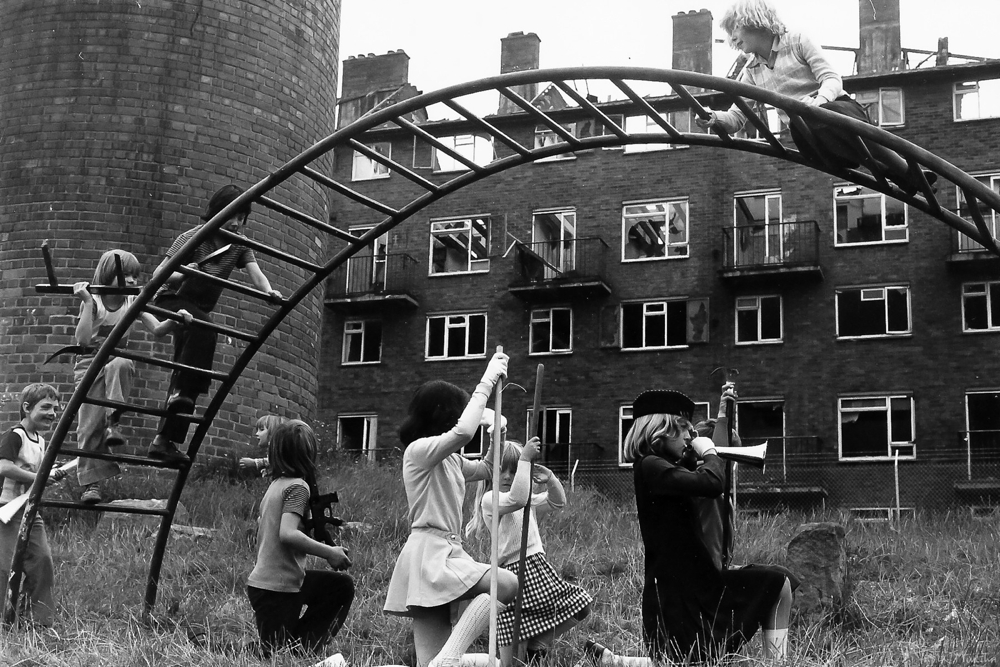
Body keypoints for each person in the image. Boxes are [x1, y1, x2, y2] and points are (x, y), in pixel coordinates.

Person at [588, 384, 794, 665]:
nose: (690, 435)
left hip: (695, 585)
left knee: (778, 582)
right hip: (680, 597)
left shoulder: (662, 465)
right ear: (660, 430)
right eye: (683, 428)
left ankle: (779, 662)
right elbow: (712, 482)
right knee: (690, 661)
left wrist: (718, 424)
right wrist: (710, 453)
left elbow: (703, 477)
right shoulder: (650, 465)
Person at [697, 0, 935, 196]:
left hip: (837, 112)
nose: (733, 38)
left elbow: (831, 78)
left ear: (753, 20)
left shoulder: (797, 40)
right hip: (811, 135)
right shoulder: (752, 71)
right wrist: (714, 117)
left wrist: (819, 102)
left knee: (837, 120)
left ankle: (905, 175)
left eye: (734, 29)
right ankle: (907, 173)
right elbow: (738, 116)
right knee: (806, 124)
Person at [384, 351, 518, 667]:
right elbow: (463, 433)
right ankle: (457, 658)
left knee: (435, 663)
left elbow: (488, 469)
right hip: (428, 552)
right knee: (507, 584)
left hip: (446, 552)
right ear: (443, 414)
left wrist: (498, 433)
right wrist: (486, 382)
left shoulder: (451, 460)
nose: (461, 418)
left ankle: (453, 658)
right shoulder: (417, 453)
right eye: (457, 413)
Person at [147, 184, 282, 463]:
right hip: (171, 299)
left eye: (241, 216)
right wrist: (183, 273)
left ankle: (164, 440)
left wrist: (269, 291)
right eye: (231, 214)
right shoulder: (194, 237)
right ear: (217, 212)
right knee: (205, 331)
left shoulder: (239, 244)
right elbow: (158, 275)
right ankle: (182, 396)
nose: (235, 222)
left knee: (189, 369)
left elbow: (256, 274)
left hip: (197, 312)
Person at [72, 249, 191, 504]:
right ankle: (91, 485)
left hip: (115, 361)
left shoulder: (132, 302)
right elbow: (82, 341)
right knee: (89, 425)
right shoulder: (95, 301)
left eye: (135, 276)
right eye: (125, 275)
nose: (133, 281)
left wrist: (177, 319)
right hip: (89, 364)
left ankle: (113, 422)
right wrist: (88, 302)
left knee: (123, 363)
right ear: (108, 275)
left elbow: (158, 329)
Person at [466, 437, 592, 666]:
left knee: (580, 605)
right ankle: (461, 661)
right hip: (510, 579)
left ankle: (538, 644)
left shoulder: (528, 501)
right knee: (511, 663)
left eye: (514, 471)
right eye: (501, 470)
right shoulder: (490, 499)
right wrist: (524, 458)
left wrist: (551, 480)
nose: (506, 476)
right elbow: (516, 498)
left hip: (536, 570)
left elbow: (558, 502)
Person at [246, 419, 354, 657]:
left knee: (340, 586)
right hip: (276, 589)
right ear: (308, 454)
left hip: (280, 583)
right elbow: (287, 534)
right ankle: (298, 648)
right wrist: (330, 552)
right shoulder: (298, 487)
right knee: (273, 654)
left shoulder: (277, 484)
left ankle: (304, 646)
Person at [0, 384, 69, 627]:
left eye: (56, 409)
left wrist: (52, 473)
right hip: (7, 511)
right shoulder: (15, 435)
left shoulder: (40, 441)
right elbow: (4, 467)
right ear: (27, 408)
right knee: (6, 567)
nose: (53, 413)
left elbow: (36, 474)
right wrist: (39, 477)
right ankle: (4, 621)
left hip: (30, 510)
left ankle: (40, 623)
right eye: (46, 407)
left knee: (42, 561)